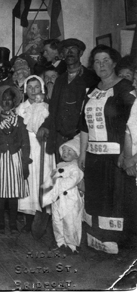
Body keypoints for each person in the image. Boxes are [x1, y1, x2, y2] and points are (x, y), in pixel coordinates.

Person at [79, 45, 135, 254]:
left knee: (116, 200)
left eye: (105, 60)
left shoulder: (125, 88)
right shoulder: (92, 91)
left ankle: (119, 244)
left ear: (114, 62)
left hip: (116, 158)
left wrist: (127, 154)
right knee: (96, 198)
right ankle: (97, 241)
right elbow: (84, 125)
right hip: (94, 157)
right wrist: (83, 153)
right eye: (96, 61)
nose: (101, 65)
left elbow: (133, 124)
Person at [37, 38, 99, 163]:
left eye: (73, 49)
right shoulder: (60, 80)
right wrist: (45, 126)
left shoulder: (91, 78)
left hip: (80, 139)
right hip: (60, 139)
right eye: (66, 50)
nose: (69, 52)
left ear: (80, 53)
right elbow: (53, 108)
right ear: (62, 55)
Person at [0, 85, 30, 234]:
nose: (6, 103)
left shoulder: (19, 120)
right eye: (3, 100)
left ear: (14, 102)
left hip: (15, 159)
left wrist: (25, 163)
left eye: (9, 100)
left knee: (13, 195)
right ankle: (0, 224)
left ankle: (12, 224)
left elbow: (25, 142)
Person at [16, 76, 54, 232]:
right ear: (25, 90)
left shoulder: (48, 106)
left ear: (42, 88)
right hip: (28, 146)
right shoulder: (21, 108)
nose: (33, 91)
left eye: (36, 87)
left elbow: (51, 125)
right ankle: (29, 219)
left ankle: (45, 216)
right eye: (29, 87)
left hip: (44, 147)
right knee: (29, 181)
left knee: (44, 179)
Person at [43, 135, 84, 255]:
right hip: (57, 200)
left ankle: (72, 245)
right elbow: (51, 179)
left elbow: (73, 179)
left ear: (77, 153)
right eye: (64, 150)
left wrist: (58, 185)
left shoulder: (77, 167)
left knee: (70, 223)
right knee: (57, 221)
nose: (65, 153)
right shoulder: (59, 165)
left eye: (69, 150)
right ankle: (60, 243)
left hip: (70, 200)